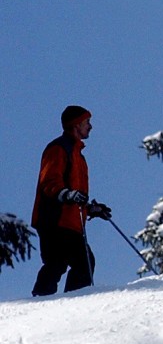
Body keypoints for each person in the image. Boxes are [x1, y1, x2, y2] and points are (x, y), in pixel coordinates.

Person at [30, 105, 112, 296]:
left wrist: (91, 210)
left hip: (71, 222)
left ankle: (72, 302)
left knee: (84, 263)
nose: (90, 127)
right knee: (57, 263)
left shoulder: (78, 156)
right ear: (76, 125)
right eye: (87, 122)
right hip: (54, 220)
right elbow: (49, 182)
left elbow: (76, 195)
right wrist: (67, 195)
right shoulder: (59, 149)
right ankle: (41, 302)